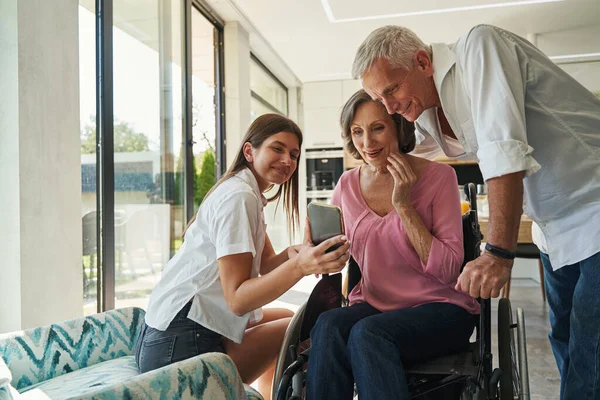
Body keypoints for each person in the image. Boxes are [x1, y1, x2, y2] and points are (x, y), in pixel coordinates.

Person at [352, 24, 600, 400]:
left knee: (590, 354)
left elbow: (503, 150)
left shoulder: (479, 49)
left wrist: (497, 252)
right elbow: (392, 152)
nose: (390, 106)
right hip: (554, 230)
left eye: (392, 90)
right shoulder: (427, 114)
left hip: (594, 205)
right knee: (565, 341)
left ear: (422, 61)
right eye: (378, 98)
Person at [136, 114, 350, 399]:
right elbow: (238, 299)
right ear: (249, 151)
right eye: (277, 148)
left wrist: (297, 253)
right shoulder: (239, 197)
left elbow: (267, 265)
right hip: (176, 349)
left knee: (289, 316)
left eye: (294, 154)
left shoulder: (245, 192)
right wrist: (301, 266)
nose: (287, 160)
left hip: (163, 337)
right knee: (298, 331)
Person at [306, 90, 480, 400]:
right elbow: (336, 251)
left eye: (377, 128)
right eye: (357, 132)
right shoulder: (347, 184)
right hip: (375, 305)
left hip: (441, 308)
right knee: (329, 324)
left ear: (398, 127)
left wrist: (404, 205)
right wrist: (318, 249)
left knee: (368, 334)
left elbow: (448, 269)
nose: (367, 143)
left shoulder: (439, 178)